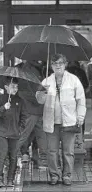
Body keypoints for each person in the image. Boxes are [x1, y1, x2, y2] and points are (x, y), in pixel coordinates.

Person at [36, 53, 86, 186]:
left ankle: (67, 175)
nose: (58, 66)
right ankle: (54, 175)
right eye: (55, 63)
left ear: (65, 64)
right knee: (52, 151)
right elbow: (39, 101)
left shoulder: (74, 80)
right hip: (51, 123)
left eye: (60, 63)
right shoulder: (46, 81)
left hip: (69, 122)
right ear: (51, 66)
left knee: (68, 152)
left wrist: (80, 116)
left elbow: (81, 100)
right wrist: (42, 93)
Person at [0, 77, 26, 188]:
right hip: (2, 132)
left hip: (14, 133)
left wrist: (20, 129)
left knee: (13, 157)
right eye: (12, 86)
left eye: (16, 87)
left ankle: (11, 179)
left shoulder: (20, 101)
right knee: (1, 155)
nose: (15, 89)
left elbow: (23, 117)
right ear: (6, 87)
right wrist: (3, 108)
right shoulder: (0, 99)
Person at [16, 60, 47, 167]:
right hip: (31, 109)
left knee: (38, 135)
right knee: (24, 135)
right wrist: (42, 93)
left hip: (37, 110)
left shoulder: (39, 68)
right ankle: (9, 157)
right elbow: (26, 91)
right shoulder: (28, 70)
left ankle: (38, 157)